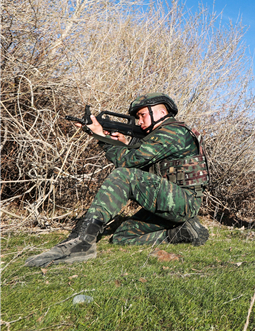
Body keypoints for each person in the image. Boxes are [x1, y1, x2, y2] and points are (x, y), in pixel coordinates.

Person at [26, 93, 210, 267]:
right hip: (169, 201)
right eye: (137, 117)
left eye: (142, 115)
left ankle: (81, 242)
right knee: (122, 236)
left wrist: (102, 137)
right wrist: (120, 141)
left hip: (184, 201)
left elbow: (129, 162)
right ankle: (179, 233)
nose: (139, 121)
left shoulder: (173, 132)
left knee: (123, 175)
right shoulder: (160, 136)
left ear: (161, 112)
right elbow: (144, 160)